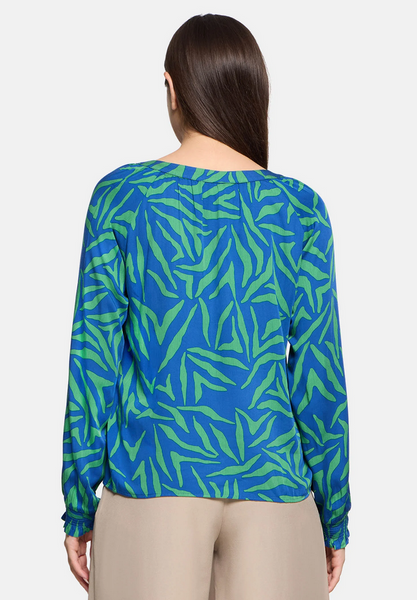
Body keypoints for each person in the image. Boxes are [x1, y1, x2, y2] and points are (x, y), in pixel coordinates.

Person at [61, 13, 351, 600]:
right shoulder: (298, 208)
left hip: (153, 483)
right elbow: (320, 376)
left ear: (172, 89)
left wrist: (78, 500)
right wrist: (335, 510)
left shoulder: (124, 197)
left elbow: (94, 361)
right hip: (274, 490)